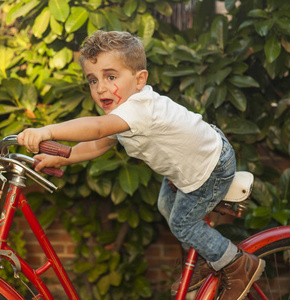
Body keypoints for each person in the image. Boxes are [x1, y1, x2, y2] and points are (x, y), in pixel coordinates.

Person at [17, 30, 264, 300]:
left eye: (111, 77)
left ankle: (238, 264)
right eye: (92, 80)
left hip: (210, 167)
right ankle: (208, 257)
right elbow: (99, 144)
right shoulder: (122, 112)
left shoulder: (139, 107)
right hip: (188, 168)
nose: (100, 88)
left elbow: (97, 129)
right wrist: (62, 156)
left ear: (139, 80)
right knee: (165, 206)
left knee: (183, 224)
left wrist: (48, 131)